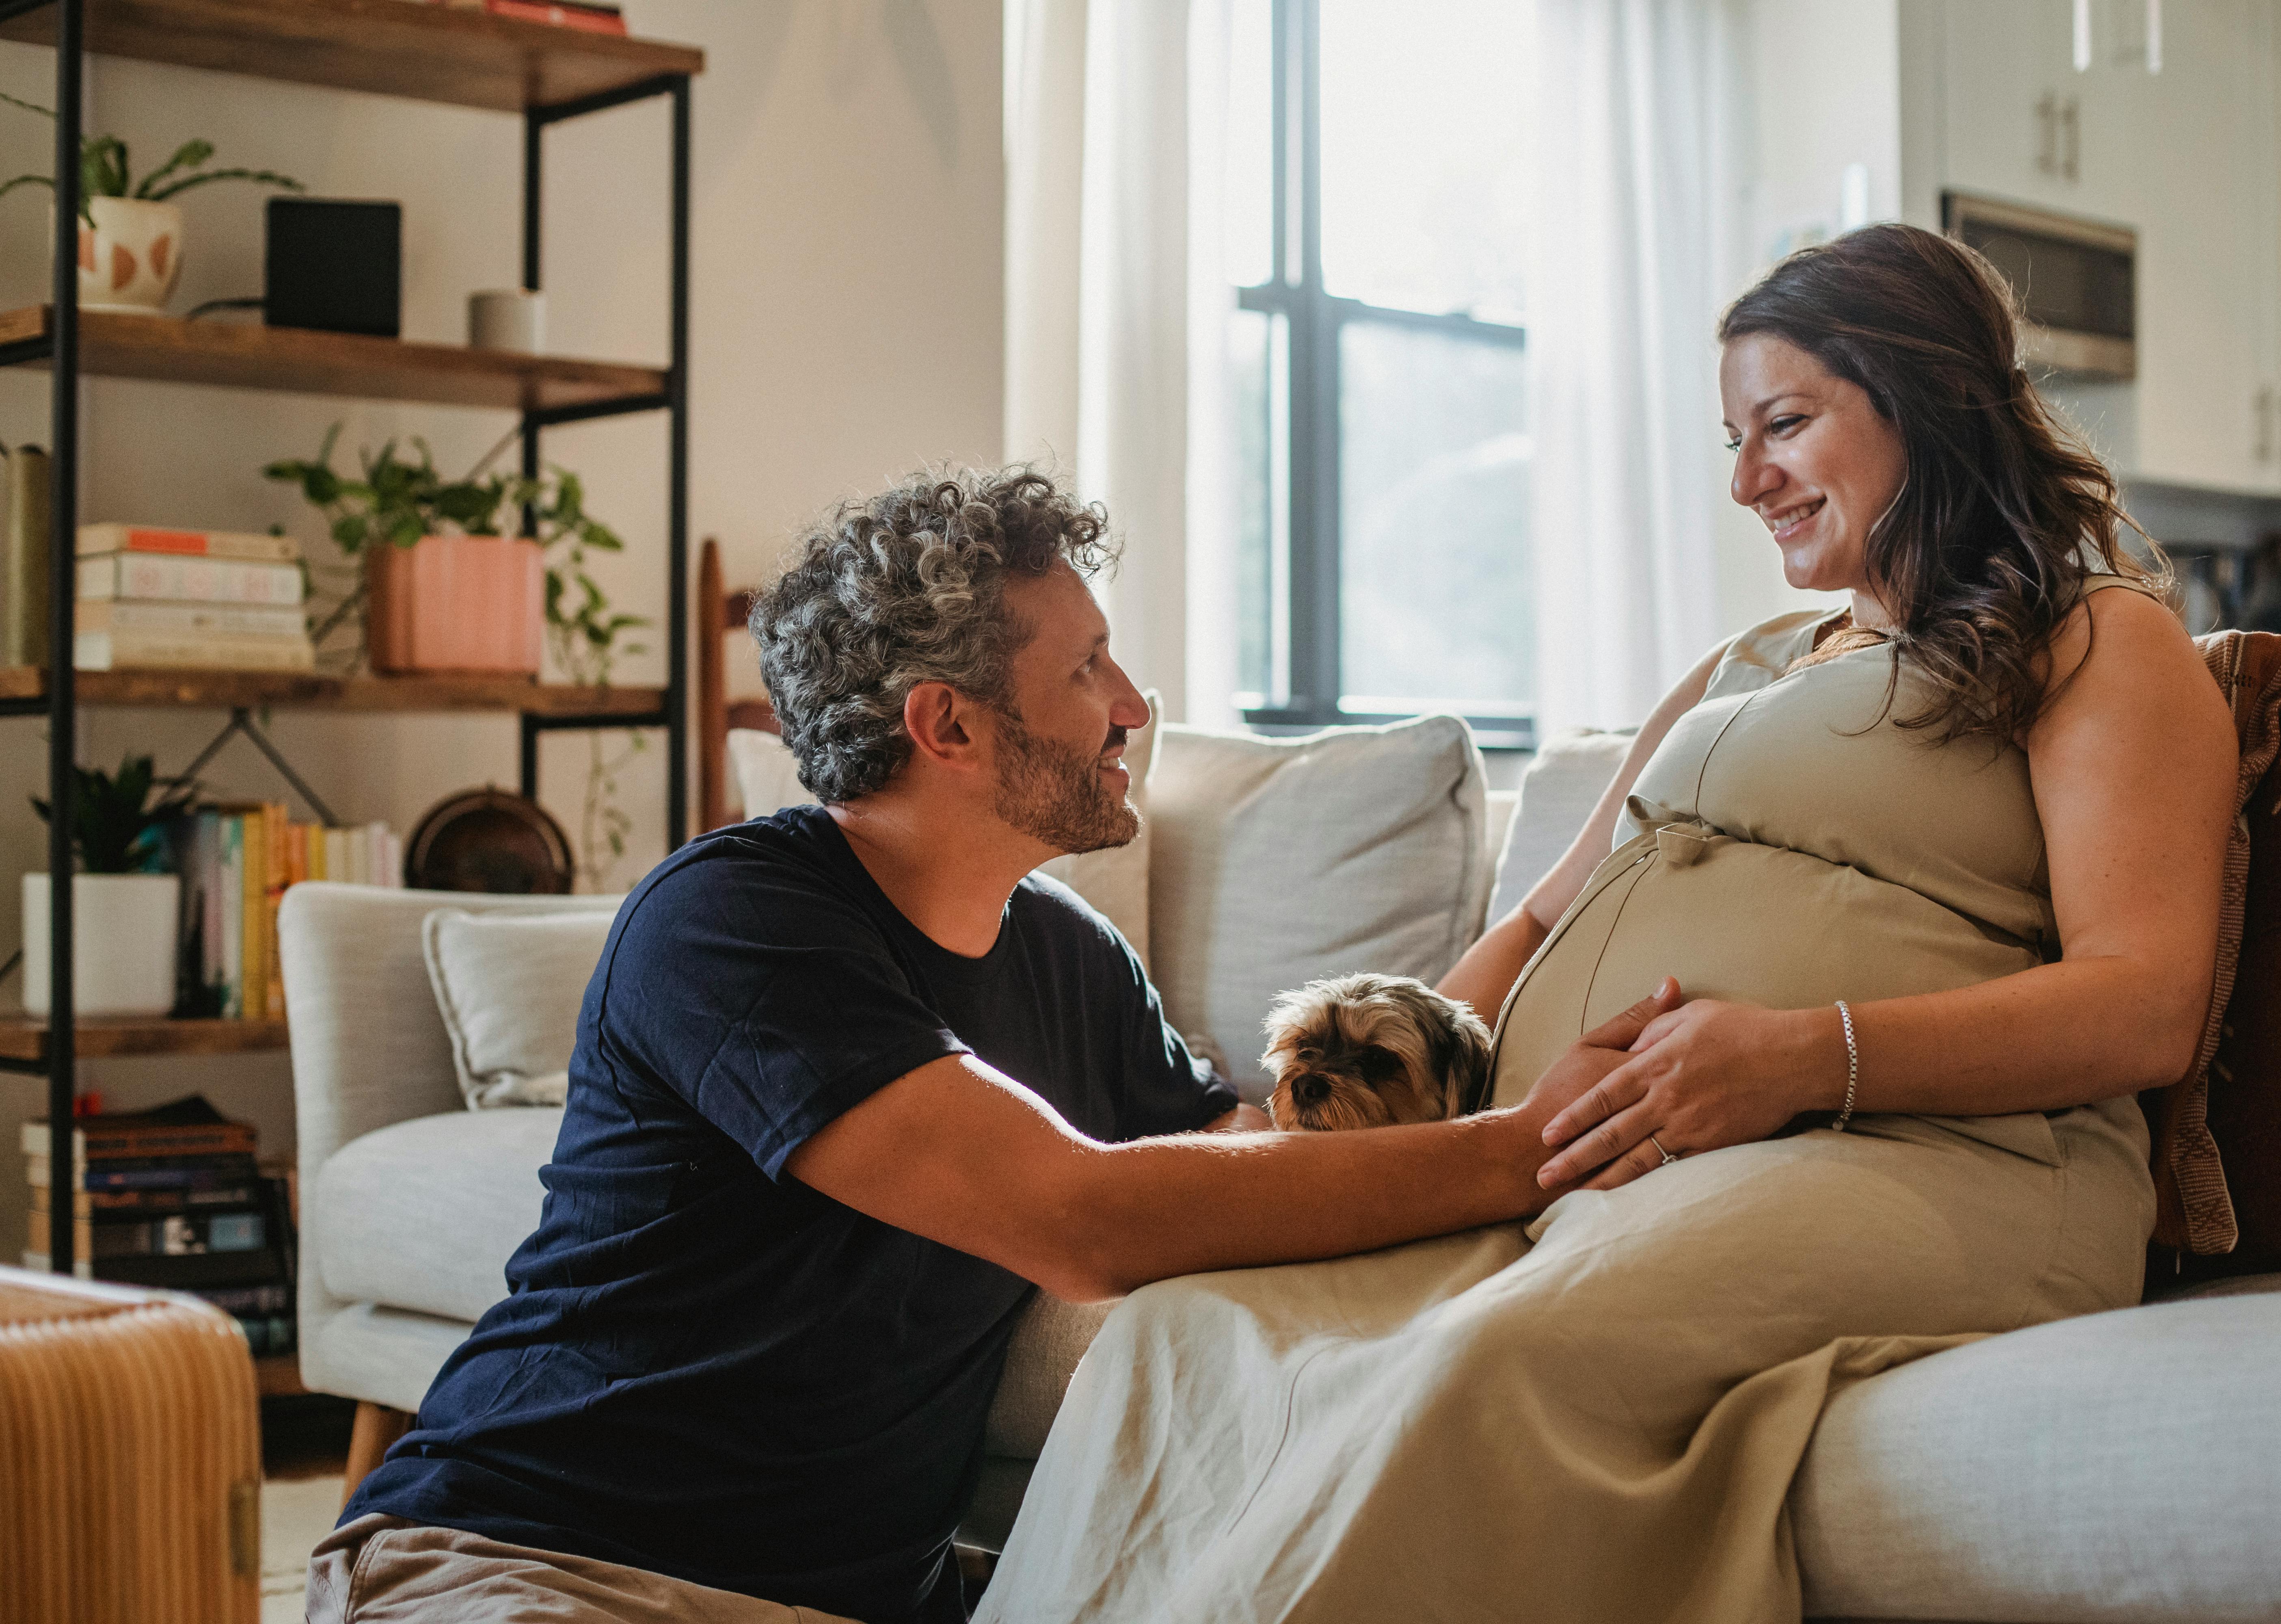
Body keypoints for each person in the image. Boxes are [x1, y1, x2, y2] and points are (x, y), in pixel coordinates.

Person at [973, 224, 2238, 1623]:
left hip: (1926, 1158)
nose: (1750, 479)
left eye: (1786, 425)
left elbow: (2142, 1000)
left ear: (1925, 398)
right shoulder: (1749, 663)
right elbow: (1546, 910)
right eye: (1733, 440)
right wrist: (1432, 1136)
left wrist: (1804, 1058)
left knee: (1488, 1366)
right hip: (1590, 1156)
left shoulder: (2098, 641)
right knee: (1181, 1330)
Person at [307, 469, 1674, 1624]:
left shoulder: (1067, 955)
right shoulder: (732, 920)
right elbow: (1080, 1218)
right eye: (1085, 667)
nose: (1135, 702)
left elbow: (1254, 1158)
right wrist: (1523, 1153)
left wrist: (1555, 898)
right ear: (947, 725)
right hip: (538, 1563)